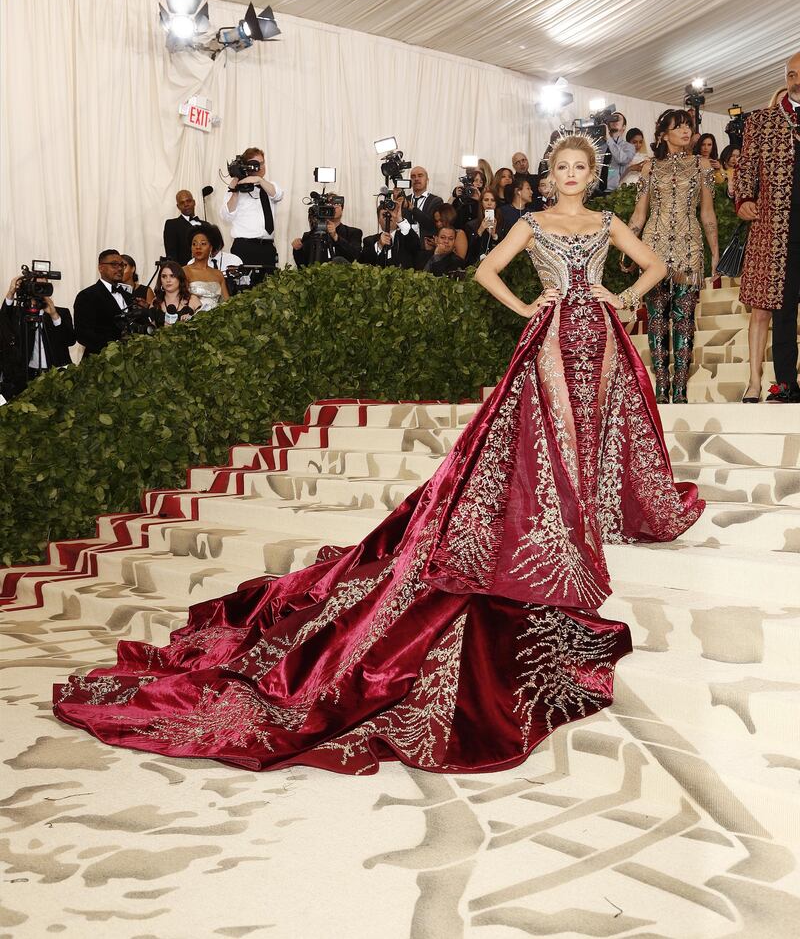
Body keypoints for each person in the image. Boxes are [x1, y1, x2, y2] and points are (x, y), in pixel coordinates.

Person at [53, 132, 703, 775]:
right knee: (547, 441)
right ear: (550, 173)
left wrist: (623, 297)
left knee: (591, 437)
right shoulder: (532, 222)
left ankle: (579, 526)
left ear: (592, 174)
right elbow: (485, 270)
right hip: (554, 335)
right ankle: (556, 538)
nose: (568, 174)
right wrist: (530, 303)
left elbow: (653, 265)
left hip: (603, 337)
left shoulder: (607, 220)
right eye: (560, 165)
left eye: (578, 166)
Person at [622, 109, 719, 403]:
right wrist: (629, 247)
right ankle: (661, 389)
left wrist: (715, 252)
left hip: (689, 247)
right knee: (656, 319)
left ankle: (680, 389)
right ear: (663, 133)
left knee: (684, 317)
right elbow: (640, 212)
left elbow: (707, 212)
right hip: (653, 248)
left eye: (688, 126)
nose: (686, 131)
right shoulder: (650, 168)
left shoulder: (702, 166)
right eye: (678, 127)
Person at [736, 49, 800, 403]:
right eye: (791, 75)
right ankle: (785, 385)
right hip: (774, 230)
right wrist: (744, 199)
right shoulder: (761, 121)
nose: (796, 82)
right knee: (783, 309)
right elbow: (745, 170)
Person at [1, 273, 75, 396]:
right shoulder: (20, 313)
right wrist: (11, 292)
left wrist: (54, 316)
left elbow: (70, 340)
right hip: (28, 375)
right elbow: (4, 322)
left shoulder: (61, 312)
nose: (40, 290)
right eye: (37, 286)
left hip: (57, 374)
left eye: (44, 286)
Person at [220, 147, 283, 271]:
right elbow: (226, 216)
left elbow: (278, 195)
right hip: (244, 247)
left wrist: (259, 180)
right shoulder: (235, 189)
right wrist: (235, 191)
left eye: (262, 163)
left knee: (269, 287)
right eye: (256, 164)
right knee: (244, 288)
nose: (261, 167)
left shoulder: (270, 186)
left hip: (267, 247)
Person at [73, 249, 130, 356]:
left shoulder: (128, 296)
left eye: (122, 265)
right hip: (99, 363)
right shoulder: (87, 296)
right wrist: (115, 347)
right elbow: (83, 334)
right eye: (114, 264)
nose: (119, 268)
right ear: (101, 268)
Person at [292, 197, 362, 266]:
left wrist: (336, 237)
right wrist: (298, 249)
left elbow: (356, 257)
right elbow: (302, 265)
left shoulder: (353, 232)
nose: (333, 207)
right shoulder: (310, 235)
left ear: (342, 209)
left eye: (337, 204)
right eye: (329, 205)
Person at [359, 201, 421, 269]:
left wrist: (400, 220)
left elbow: (416, 245)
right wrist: (379, 245)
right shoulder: (369, 241)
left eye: (391, 214)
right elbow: (363, 262)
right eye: (384, 215)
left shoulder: (406, 236)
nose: (388, 217)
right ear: (378, 220)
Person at [184, 227, 230, 311]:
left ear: (211, 247)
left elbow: (227, 302)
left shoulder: (218, 274)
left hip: (217, 318)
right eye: (194, 244)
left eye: (203, 243)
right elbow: (182, 300)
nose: (198, 247)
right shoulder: (185, 271)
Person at [151, 261, 201, 326]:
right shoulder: (155, 301)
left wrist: (192, 321)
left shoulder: (192, 299)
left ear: (180, 278)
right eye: (164, 276)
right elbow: (150, 330)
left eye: (172, 276)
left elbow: (204, 326)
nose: (168, 280)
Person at [163, 190, 205, 266]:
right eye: (182, 203)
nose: (186, 204)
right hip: (184, 272)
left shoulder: (206, 225)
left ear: (194, 202)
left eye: (188, 201)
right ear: (178, 206)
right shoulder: (172, 225)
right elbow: (171, 255)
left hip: (205, 272)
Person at [597, 112, 636, 193]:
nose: (614, 122)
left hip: (615, 194)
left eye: (617, 120)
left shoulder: (629, 147)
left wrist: (609, 139)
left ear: (624, 127)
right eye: (612, 119)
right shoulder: (600, 147)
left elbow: (622, 159)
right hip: (595, 192)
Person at [466, 188, 504, 264]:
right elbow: (470, 252)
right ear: (481, 203)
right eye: (486, 200)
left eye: (492, 200)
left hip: (496, 264)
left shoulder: (502, 223)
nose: (489, 203)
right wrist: (480, 231)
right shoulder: (471, 225)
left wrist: (494, 235)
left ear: (496, 204)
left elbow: (504, 248)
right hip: (476, 265)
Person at [408, 167, 443, 237]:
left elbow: (431, 225)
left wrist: (412, 209)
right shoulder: (404, 200)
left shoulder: (436, 201)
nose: (416, 179)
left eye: (420, 175)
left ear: (427, 180)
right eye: (413, 176)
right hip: (405, 244)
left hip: (425, 245)